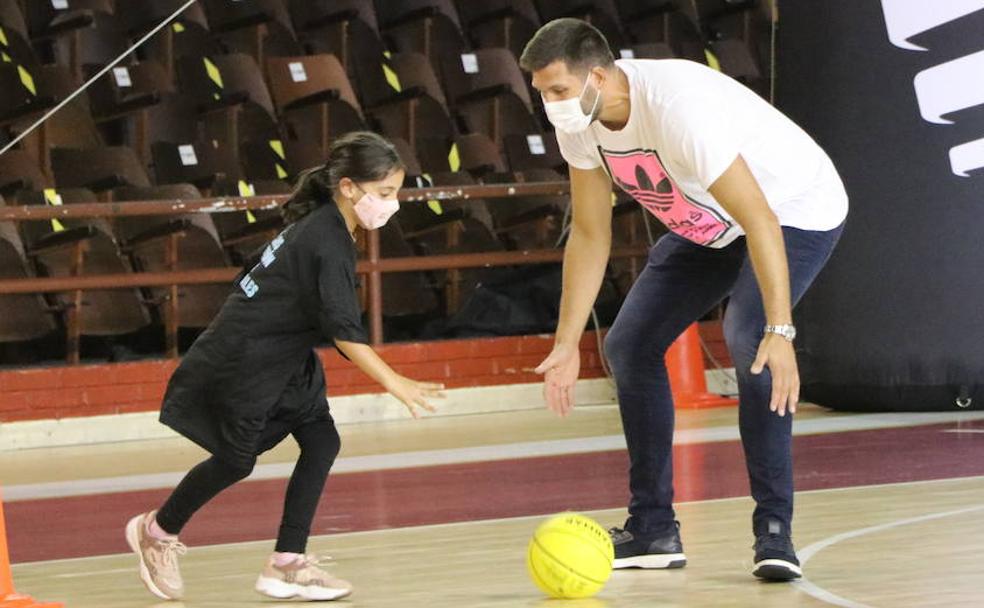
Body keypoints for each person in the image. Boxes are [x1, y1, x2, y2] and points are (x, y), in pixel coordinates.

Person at [522, 19, 848, 581]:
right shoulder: (581, 123)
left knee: (751, 342)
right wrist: (568, 341)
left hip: (792, 209)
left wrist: (781, 329)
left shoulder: (677, 107)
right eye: (542, 94)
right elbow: (591, 234)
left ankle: (775, 531)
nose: (551, 105)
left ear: (597, 75)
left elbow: (760, 218)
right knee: (628, 345)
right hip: (709, 222)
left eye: (557, 90)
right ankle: (652, 528)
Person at [125, 131, 445, 601]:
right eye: (384, 194)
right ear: (349, 187)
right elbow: (343, 332)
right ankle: (157, 531)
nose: (391, 205)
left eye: (395, 193)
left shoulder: (323, 225)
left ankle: (286, 564)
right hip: (246, 358)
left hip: (286, 356)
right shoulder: (327, 239)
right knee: (236, 460)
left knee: (321, 440)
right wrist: (394, 381)